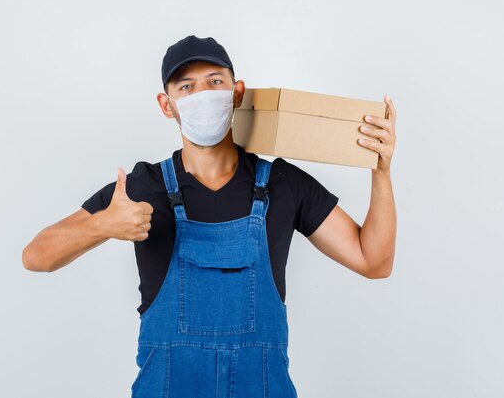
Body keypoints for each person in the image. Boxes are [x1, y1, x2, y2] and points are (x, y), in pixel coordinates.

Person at [22, 35, 397, 397]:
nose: (202, 95)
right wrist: (100, 225)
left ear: (237, 92)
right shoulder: (142, 187)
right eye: (186, 87)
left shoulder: (284, 184)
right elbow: (36, 256)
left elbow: (374, 260)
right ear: (166, 105)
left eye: (214, 82)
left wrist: (381, 171)